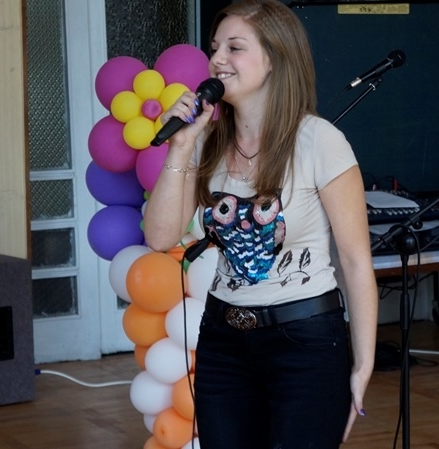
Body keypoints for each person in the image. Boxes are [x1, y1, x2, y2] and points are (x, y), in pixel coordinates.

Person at [143, 0, 379, 447]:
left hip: (305, 342)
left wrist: (362, 367)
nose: (217, 59)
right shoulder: (206, 142)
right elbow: (158, 237)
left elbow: (355, 261)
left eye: (234, 48)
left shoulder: (319, 141)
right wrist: (181, 147)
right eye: (215, 48)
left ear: (274, 59)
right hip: (223, 340)